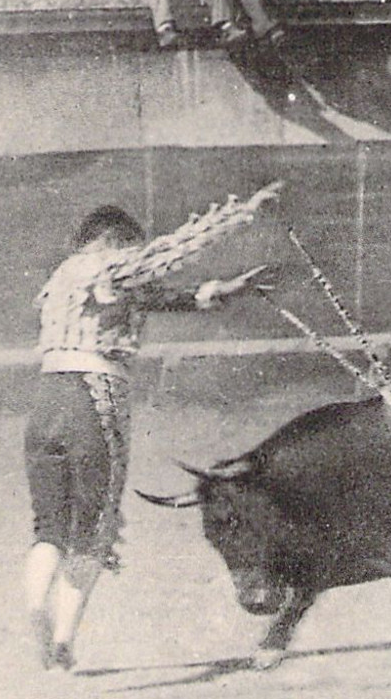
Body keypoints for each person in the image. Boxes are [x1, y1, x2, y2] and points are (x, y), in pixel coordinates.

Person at [23, 183, 280, 672]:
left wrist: (217, 292)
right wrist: (243, 211)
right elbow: (171, 251)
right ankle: (61, 645)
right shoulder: (106, 264)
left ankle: (36, 603)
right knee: (94, 532)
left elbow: (155, 297)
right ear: (113, 241)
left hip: (45, 402)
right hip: (93, 399)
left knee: (48, 529)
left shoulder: (62, 280)